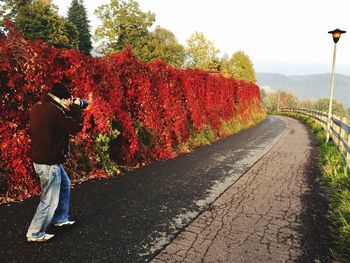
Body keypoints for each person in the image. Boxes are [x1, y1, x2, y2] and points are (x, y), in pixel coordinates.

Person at [26, 82, 84, 242]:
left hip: (44, 157)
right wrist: (77, 107)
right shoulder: (54, 111)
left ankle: (60, 219)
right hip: (48, 161)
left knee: (64, 184)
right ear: (63, 99)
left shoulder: (39, 106)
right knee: (49, 198)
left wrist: (69, 106)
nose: (70, 103)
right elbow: (75, 127)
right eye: (69, 100)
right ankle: (35, 232)